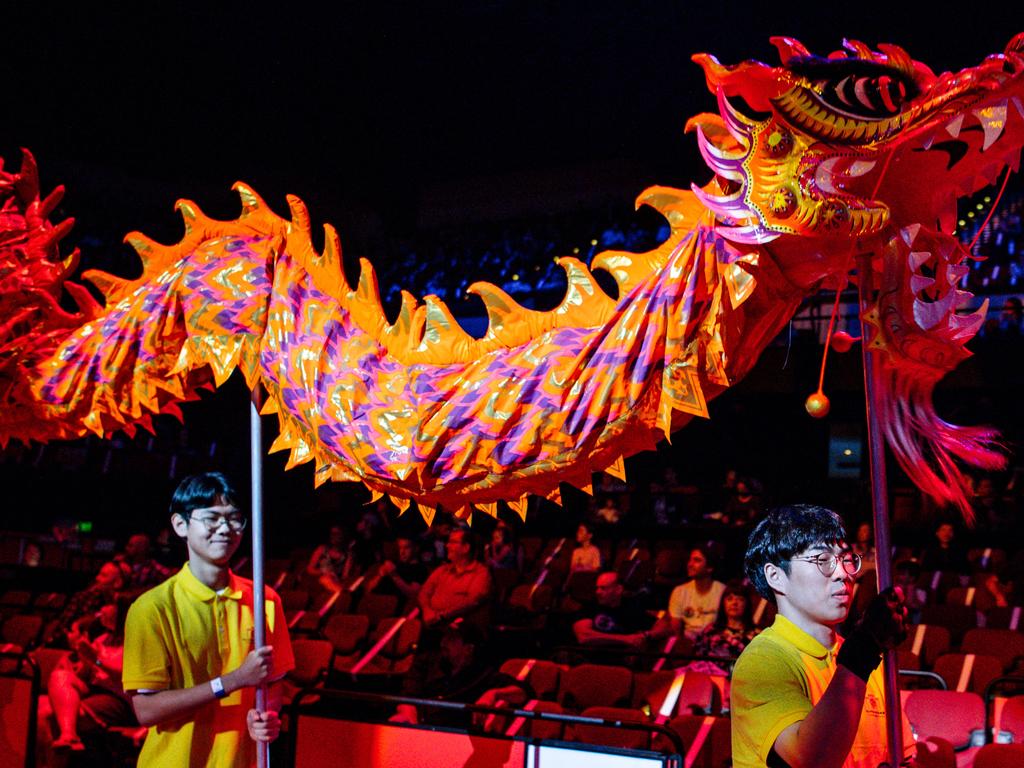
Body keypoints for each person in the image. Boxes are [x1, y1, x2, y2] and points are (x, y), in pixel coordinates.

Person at [122, 472, 295, 768]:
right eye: (212, 518)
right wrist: (233, 681)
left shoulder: (264, 600)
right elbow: (147, 710)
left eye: (235, 518)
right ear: (180, 525)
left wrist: (268, 716)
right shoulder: (152, 608)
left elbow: (275, 682)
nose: (226, 529)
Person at [731, 504, 913, 768]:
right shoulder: (764, 660)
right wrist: (865, 647)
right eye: (823, 560)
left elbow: (904, 756)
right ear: (776, 576)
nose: (844, 574)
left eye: (846, 559)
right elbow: (812, 760)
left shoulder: (868, 662)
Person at [37, 597, 137, 756]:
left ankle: (67, 738)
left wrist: (96, 659)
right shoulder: (103, 639)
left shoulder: (139, 642)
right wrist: (80, 653)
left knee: (46, 716)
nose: (102, 610)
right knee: (59, 677)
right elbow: (84, 675)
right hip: (94, 690)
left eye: (109, 605)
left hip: (119, 700)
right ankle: (68, 736)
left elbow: (128, 679)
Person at [418, 526, 492, 630]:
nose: (447, 545)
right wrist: (427, 611)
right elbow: (424, 592)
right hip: (432, 622)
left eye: (453, 542)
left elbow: (473, 601)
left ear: (466, 548)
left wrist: (441, 616)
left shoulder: (481, 572)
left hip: (461, 627)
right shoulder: (442, 570)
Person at [661, 543, 726, 639]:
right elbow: (676, 631)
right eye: (690, 560)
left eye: (697, 560)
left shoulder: (722, 591)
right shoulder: (679, 591)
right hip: (687, 644)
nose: (690, 564)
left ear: (709, 568)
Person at [572, 571, 653, 648]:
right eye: (597, 588)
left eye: (603, 588)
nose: (597, 592)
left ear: (618, 590)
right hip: (587, 659)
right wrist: (627, 639)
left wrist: (646, 635)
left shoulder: (630, 607)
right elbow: (584, 636)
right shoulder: (590, 606)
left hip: (621, 660)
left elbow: (663, 625)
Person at [692, 579, 759, 662]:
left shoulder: (757, 636)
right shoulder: (710, 630)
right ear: (723, 603)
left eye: (740, 599)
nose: (734, 603)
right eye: (729, 599)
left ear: (747, 604)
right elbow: (697, 658)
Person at [306, 524, 353, 592]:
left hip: (336, 580)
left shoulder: (347, 554)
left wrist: (336, 576)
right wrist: (323, 572)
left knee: (332, 581)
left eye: (337, 534)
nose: (333, 536)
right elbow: (310, 569)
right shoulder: (322, 549)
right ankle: (342, 593)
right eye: (332, 533)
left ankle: (341, 592)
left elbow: (345, 575)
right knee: (326, 579)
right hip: (319, 579)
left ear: (343, 535)